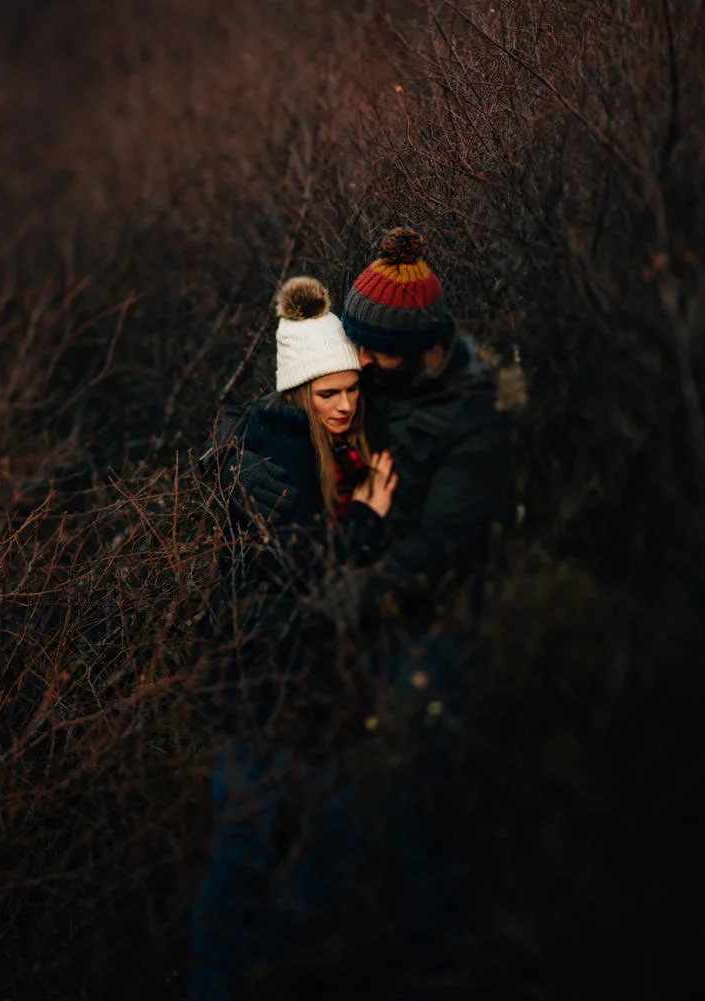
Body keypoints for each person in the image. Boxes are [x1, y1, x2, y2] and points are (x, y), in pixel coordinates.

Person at [227, 227, 521, 995]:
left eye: (369, 351)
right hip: (345, 600)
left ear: (418, 346)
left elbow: (438, 548)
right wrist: (242, 452)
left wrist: (337, 601)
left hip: (424, 620)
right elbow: (298, 394)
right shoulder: (367, 363)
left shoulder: (476, 414)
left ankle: (431, 960)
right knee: (312, 801)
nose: (354, 359)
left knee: (414, 797)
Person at [188, 275, 397, 1001]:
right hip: (255, 690)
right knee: (244, 856)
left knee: (330, 849)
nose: (343, 405)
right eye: (327, 393)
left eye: (351, 391)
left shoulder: (337, 455)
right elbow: (294, 566)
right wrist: (366, 523)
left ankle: (263, 972)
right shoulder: (264, 456)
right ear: (298, 391)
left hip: (316, 693)